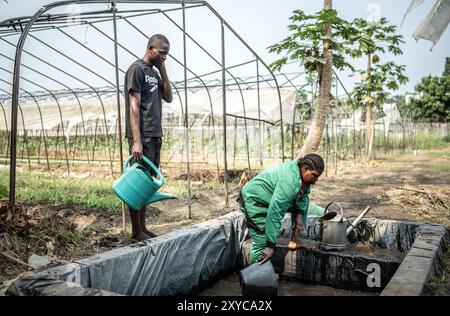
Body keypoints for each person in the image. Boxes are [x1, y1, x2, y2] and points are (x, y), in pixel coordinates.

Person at [124, 34, 173, 242]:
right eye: (162, 53)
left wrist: (162, 68)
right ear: (150, 48)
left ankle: (142, 227)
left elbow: (168, 97)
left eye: (167, 55)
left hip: (154, 134)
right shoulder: (136, 70)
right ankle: (136, 231)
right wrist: (136, 141)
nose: (164, 57)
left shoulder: (153, 72)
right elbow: (134, 106)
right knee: (138, 181)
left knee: (147, 183)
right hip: (141, 136)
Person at [237, 153, 325, 265]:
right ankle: (253, 278)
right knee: (261, 242)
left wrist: (299, 216)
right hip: (254, 200)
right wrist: (270, 245)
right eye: (314, 175)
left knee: (304, 204)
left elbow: (303, 197)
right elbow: (274, 213)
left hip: (269, 198)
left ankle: (295, 240)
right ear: (305, 169)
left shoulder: (301, 176)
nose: (316, 180)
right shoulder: (289, 182)